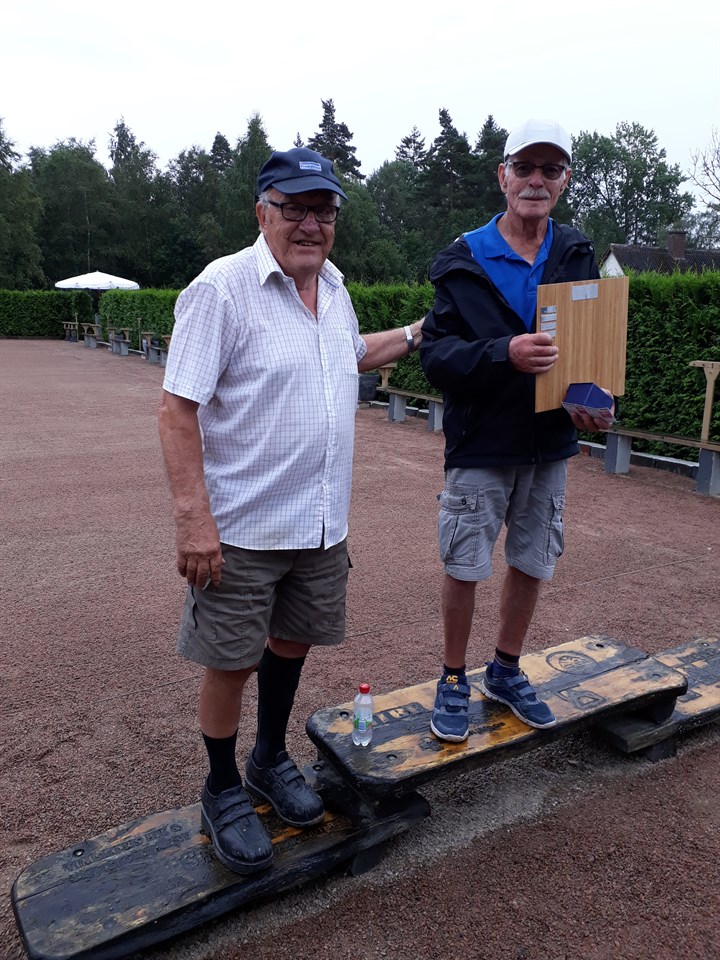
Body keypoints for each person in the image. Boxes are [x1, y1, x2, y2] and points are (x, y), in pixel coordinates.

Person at [157, 147, 423, 874]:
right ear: (262, 211)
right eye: (295, 208)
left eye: (323, 210)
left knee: (292, 642)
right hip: (242, 527)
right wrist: (193, 518)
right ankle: (221, 787)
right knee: (231, 661)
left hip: (321, 522)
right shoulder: (222, 289)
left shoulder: (333, 287)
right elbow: (176, 409)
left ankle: (268, 759)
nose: (311, 223)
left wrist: (417, 334)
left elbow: (348, 353)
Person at [419, 119, 615, 742]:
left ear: (564, 180)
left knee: (533, 559)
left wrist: (595, 401)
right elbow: (436, 357)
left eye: (549, 170)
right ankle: (454, 677)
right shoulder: (462, 258)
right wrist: (503, 352)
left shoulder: (576, 251)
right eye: (524, 168)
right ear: (502, 175)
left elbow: (589, 348)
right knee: (465, 563)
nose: (536, 181)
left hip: (550, 441)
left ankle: (504, 670)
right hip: (481, 441)